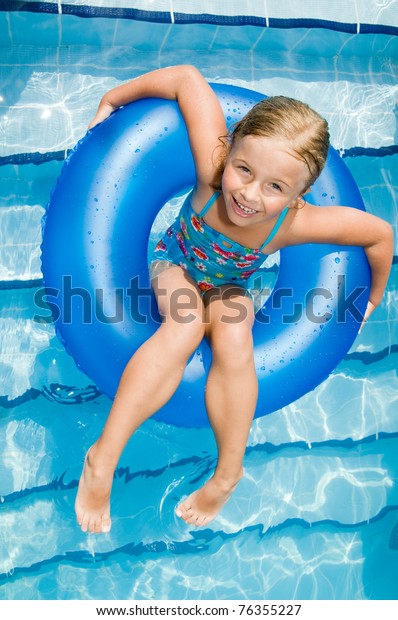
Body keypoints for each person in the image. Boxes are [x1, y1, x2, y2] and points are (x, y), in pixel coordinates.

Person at [75, 65, 393, 534]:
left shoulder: (295, 224)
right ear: (231, 149)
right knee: (183, 327)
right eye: (244, 169)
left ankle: (228, 474)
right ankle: (102, 459)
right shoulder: (211, 168)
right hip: (176, 264)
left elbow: (380, 234)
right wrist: (111, 96)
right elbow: (187, 79)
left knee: (237, 335)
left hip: (229, 287)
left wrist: (373, 298)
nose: (249, 194)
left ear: (300, 195)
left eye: (276, 188)